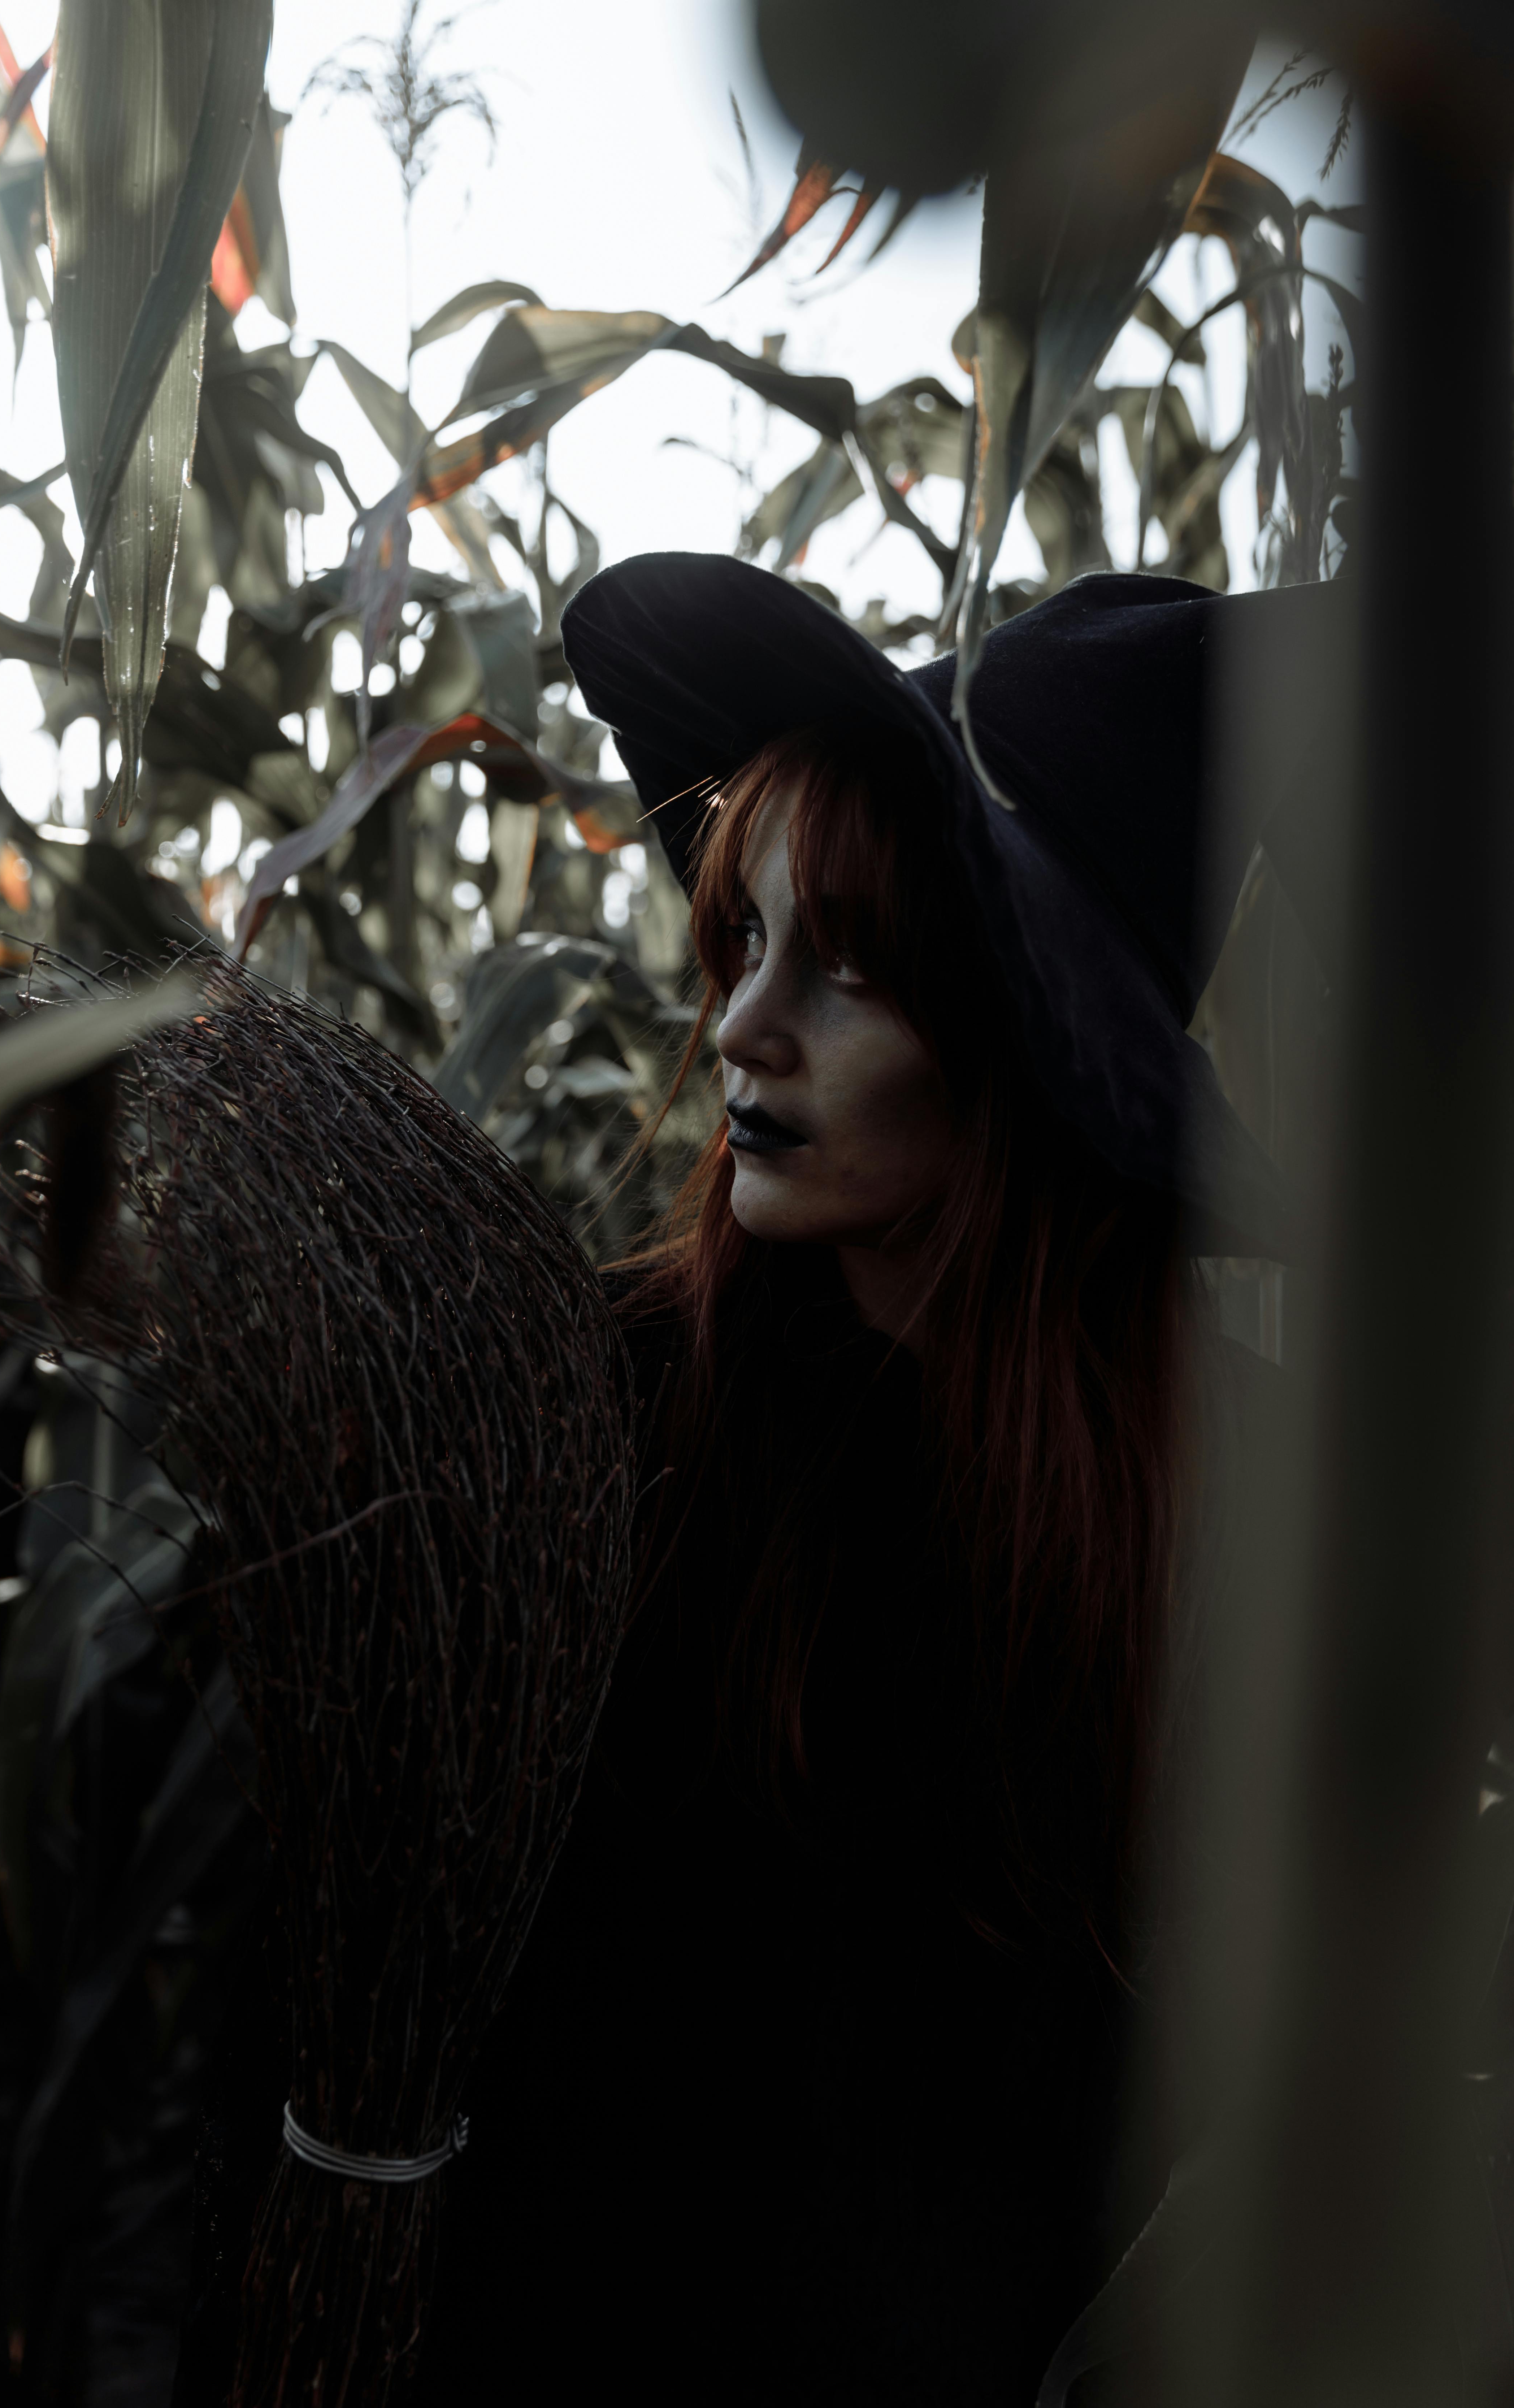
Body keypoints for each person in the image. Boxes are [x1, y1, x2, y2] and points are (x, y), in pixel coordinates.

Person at [177, 555, 1344, 2405]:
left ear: (1032, 1049)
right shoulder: (580, 1430)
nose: (738, 1028)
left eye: (851, 968)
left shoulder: (1239, 1518)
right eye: (746, 940)